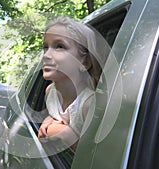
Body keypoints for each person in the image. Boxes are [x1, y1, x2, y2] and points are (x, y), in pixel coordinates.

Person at [37, 16, 107, 151]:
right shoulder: (49, 91)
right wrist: (48, 120)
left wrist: (67, 136)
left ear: (84, 63)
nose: (46, 55)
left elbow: (95, 155)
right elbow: (55, 114)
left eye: (59, 46)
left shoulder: (90, 105)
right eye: (45, 47)